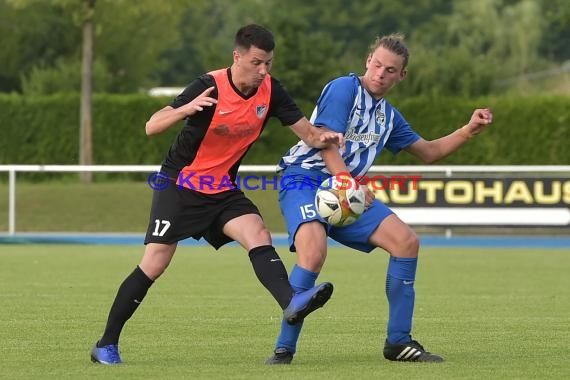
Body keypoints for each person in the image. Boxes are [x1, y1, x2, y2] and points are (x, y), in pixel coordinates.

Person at [90, 24, 344, 365]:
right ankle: (105, 344)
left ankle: (291, 302)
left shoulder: (271, 91)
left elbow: (309, 135)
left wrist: (328, 138)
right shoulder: (208, 85)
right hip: (179, 185)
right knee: (155, 263)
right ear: (237, 57)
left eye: (269, 63)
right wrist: (185, 108)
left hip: (221, 189)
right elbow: (152, 125)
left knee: (257, 231)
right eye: (257, 62)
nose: (263, 70)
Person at [265, 33, 493, 364]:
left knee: (406, 242)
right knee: (313, 252)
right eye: (376, 65)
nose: (380, 74)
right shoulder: (344, 89)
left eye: (390, 70)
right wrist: (348, 183)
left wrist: (467, 131)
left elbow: (428, 152)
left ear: (402, 75)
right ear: (367, 61)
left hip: (345, 189)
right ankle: (284, 349)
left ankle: (398, 342)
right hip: (305, 179)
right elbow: (327, 142)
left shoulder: (388, 116)